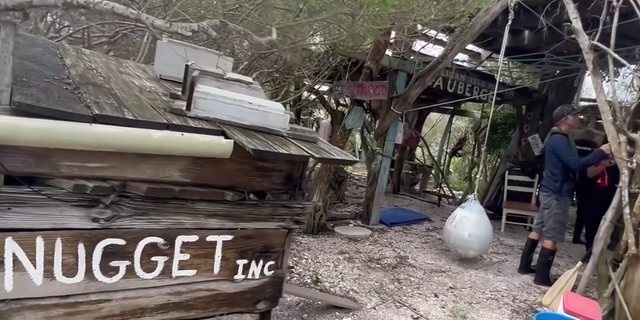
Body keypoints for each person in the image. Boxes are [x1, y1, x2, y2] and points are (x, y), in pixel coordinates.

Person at [517, 104, 611, 287]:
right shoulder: (559, 139)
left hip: (550, 190)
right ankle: (542, 277)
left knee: (539, 229)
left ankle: (525, 266)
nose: (578, 117)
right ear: (565, 119)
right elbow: (575, 164)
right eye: (575, 114)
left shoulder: (558, 138)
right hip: (557, 193)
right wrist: (600, 152)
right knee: (552, 234)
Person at [583, 138, 619, 253]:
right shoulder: (597, 154)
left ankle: (601, 248)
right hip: (596, 191)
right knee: (593, 220)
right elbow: (590, 173)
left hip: (612, 192)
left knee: (608, 221)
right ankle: (590, 247)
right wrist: (603, 165)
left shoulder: (621, 157)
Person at [572, 129, 599, 244]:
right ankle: (576, 236)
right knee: (582, 210)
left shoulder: (574, 144)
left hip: (572, 177)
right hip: (586, 181)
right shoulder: (594, 147)